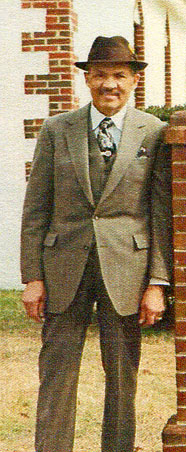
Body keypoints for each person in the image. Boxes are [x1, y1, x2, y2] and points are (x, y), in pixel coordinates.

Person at [20, 35, 172, 452]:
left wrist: (157, 283)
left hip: (127, 271)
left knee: (122, 376)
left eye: (119, 75)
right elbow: (36, 208)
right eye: (101, 75)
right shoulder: (57, 129)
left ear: (134, 81)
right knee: (56, 373)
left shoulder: (154, 132)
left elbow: (160, 213)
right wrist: (32, 277)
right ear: (87, 79)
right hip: (62, 267)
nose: (110, 84)